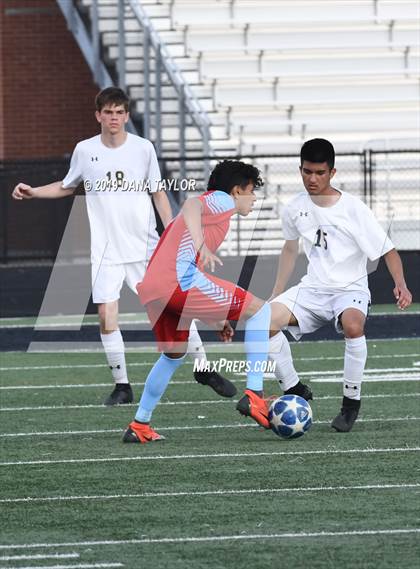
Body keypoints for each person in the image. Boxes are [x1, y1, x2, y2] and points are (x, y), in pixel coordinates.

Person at [11, 87, 236, 405]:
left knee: (176, 307)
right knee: (106, 316)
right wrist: (33, 191)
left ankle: (204, 369)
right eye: (108, 112)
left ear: (126, 116)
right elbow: (66, 186)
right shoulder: (84, 150)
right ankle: (122, 386)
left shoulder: (143, 148)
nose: (114, 118)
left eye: (119, 112)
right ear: (98, 115)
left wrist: (171, 230)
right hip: (106, 251)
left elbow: (158, 192)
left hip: (145, 248)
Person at [123, 160, 312, 444]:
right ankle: (255, 396)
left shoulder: (218, 211)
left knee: (173, 355)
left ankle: (140, 423)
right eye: (251, 191)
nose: (254, 198)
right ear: (237, 191)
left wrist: (216, 318)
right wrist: (201, 245)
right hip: (177, 281)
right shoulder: (222, 200)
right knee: (261, 311)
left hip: (154, 287)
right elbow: (190, 205)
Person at [268, 138, 412, 432]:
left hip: (350, 290)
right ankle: (294, 389)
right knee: (264, 322)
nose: (312, 178)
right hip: (313, 289)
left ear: (332, 173)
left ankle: (350, 404)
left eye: (319, 173)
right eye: (307, 172)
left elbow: (388, 250)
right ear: (300, 170)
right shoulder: (294, 207)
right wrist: (277, 291)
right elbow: (289, 249)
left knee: (353, 327)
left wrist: (401, 284)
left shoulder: (353, 209)